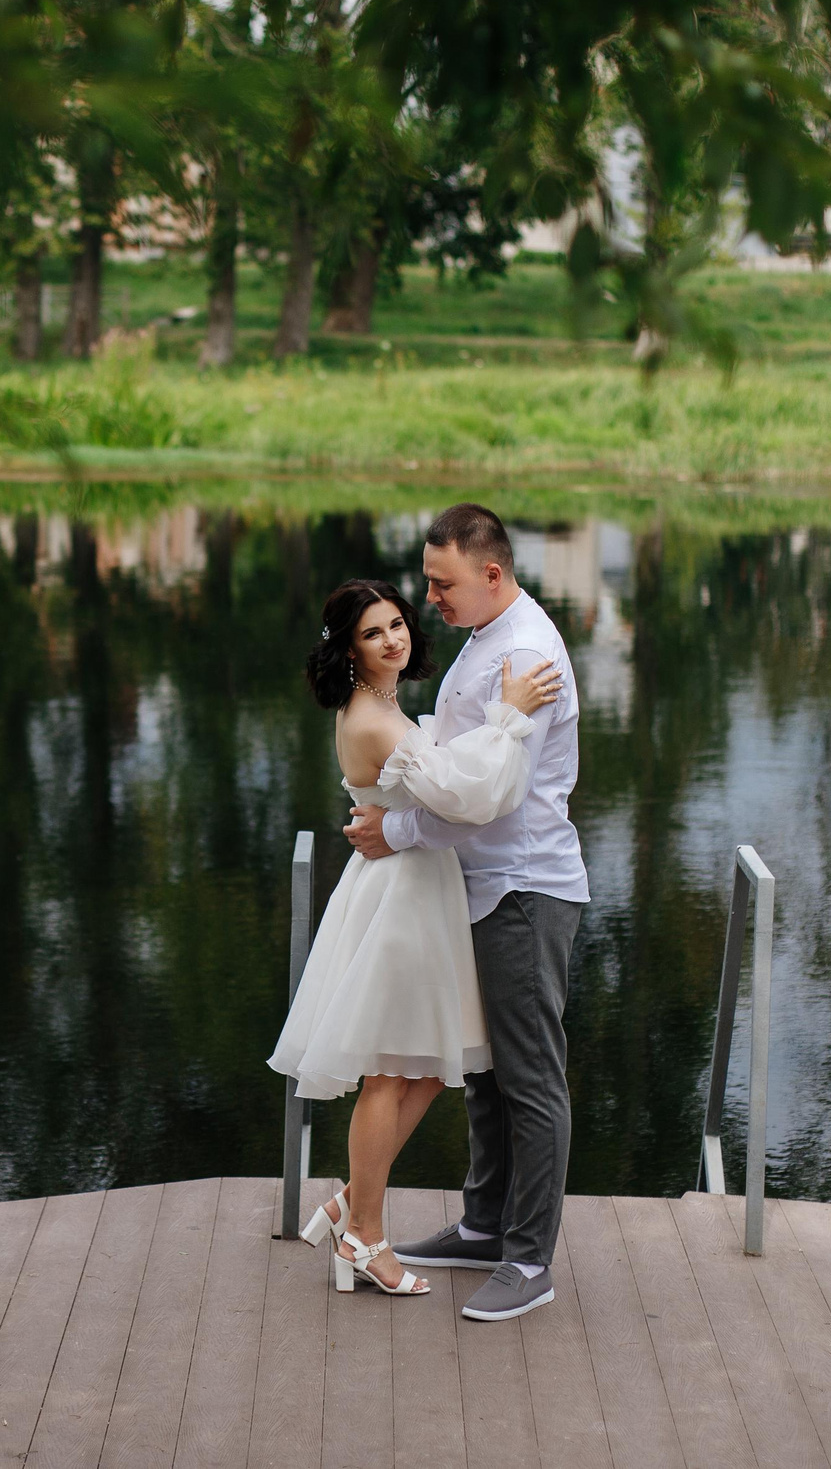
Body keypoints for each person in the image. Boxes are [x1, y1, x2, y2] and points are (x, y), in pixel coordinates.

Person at [268, 574, 564, 1298]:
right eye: (373, 632)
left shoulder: (382, 703)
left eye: (397, 623)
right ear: (347, 647)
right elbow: (468, 792)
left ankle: (350, 1200)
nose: (393, 638)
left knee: (433, 1066)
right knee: (392, 1072)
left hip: (417, 889)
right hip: (401, 899)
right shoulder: (370, 716)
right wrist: (510, 717)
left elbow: (434, 765)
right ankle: (365, 1234)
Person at [344, 503, 587, 1323]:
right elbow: (453, 761)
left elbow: (494, 794)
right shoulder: (489, 637)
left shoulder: (528, 654)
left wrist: (397, 829)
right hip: (478, 886)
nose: (428, 598)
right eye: (427, 580)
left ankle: (528, 1259)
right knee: (485, 1075)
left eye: (441, 582)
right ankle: (485, 1224)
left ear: (491, 574)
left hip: (523, 887)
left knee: (529, 1078)